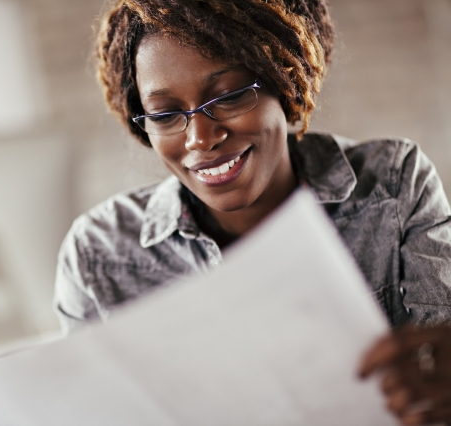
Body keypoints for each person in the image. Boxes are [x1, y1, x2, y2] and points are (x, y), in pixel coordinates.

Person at [53, 0, 451, 423]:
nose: (200, 139)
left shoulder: (391, 186)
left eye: (229, 96)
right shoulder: (99, 255)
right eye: (167, 114)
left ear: (285, 82)